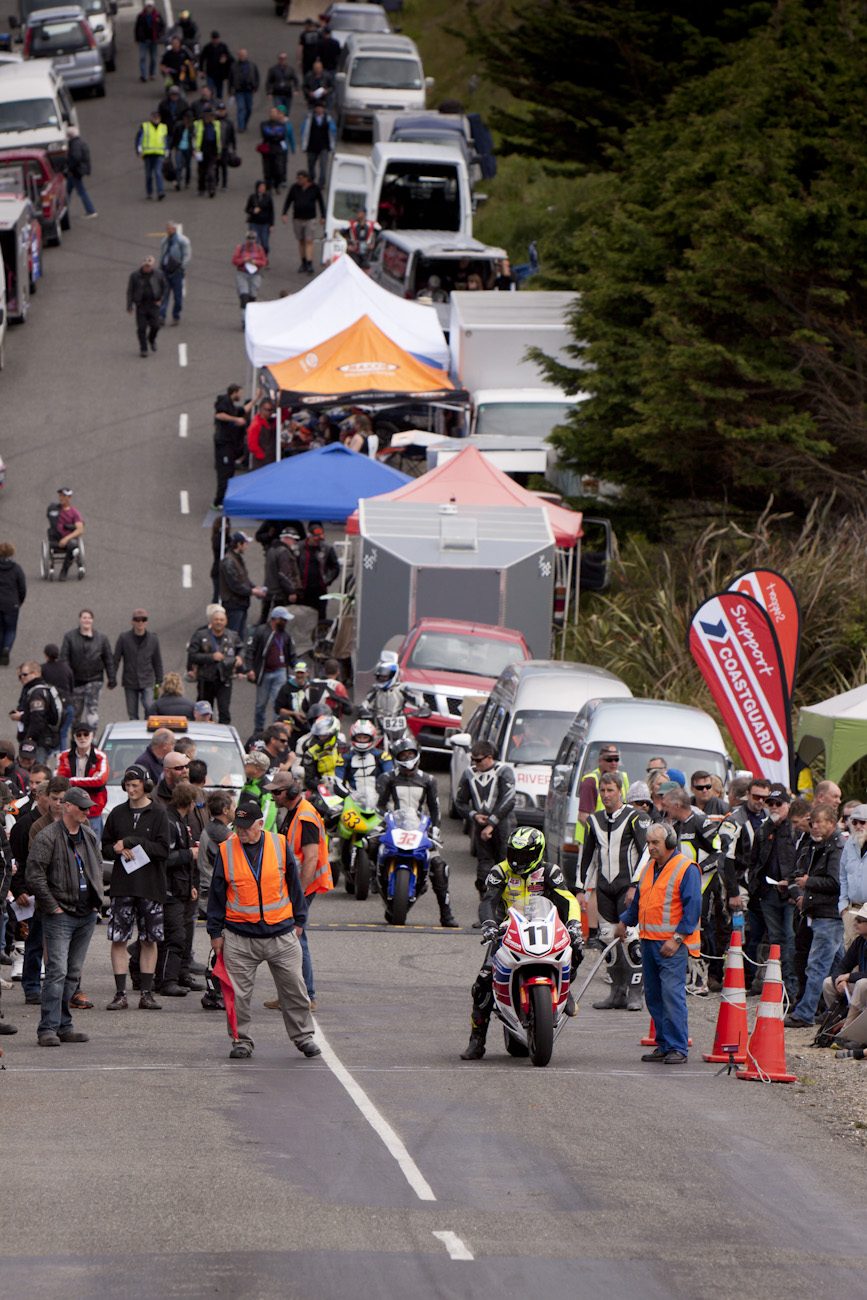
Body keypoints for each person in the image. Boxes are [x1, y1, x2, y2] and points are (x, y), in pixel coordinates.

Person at [206, 799, 320, 1060]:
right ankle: (240, 1041)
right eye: (238, 827)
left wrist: (299, 921)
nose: (241, 831)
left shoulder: (279, 844)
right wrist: (215, 933)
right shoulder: (226, 850)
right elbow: (216, 895)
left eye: (247, 827)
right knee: (237, 995)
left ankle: (304, 1038)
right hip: (239, 937)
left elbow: (294, 885)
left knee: (295, 989)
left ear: (260, 823)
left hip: (281, 934)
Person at [460, 827, 583, 1060]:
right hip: (508, 930)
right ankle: (477, 1040)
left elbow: (567, 899)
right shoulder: (500, 871)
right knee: (483, 982)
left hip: (545, 927)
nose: (518, 860)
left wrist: (574, 924)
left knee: (576, 948)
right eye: (513, 853)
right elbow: (488, 900)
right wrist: (488, 923)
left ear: (537, 853)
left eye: (524, 855)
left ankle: (566, 990)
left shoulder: (550, 871)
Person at [614, 822, 701, 1064]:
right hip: (649, 942)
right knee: (653, 995)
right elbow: (638, 903)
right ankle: (664, 1044)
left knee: (672, 996)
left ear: (670, 844)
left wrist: (677, 939)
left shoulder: (686, 868)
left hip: (671, 945)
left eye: (655, 843)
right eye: (648, 843)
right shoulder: (649, 868)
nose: (650, 847)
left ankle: (678, 1048)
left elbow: (692, 909)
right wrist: (624, 923)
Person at [25, 788, 103, 1047]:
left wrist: (95, 904)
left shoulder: (89, 835)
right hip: (61, 915)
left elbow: (97, 867)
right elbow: (34, 875)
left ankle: (63, 1026)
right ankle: (47, 1028)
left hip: (85, 914)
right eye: (81, 806)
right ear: (67, 806)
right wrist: (53, 907)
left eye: (87, 807)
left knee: (72, 973)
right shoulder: (48, 836)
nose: (86, 811)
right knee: (57, 971)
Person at [102, 766, 171, 1010]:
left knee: (149, 940)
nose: (131, 790)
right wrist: (116, 848)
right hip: (122, 886)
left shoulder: (159, 813)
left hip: (150, 886)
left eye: (136, 785)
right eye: (128, 785)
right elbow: (105, 847)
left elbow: (164, 850)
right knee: (118, 939)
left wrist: (134, 841)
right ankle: (120, 993)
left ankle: (146, 993)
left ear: (146, 785)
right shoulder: (117, 813)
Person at [580, 772, 650, 1010]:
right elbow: (587, 857)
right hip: (603, 889)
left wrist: (635, 885)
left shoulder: (636, 817)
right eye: (603, 790)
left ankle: (635, 993)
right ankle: (616, 992)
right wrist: (582, 889)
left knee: (631, 938)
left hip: (626, 889)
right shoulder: (594, 820)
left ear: (620, 791)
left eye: (610, 790)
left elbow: (646, 853)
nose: (606, 795)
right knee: (607, 938)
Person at [377, 737, 457, 927]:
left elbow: (435, 808)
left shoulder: (428, 780)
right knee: (372, 844)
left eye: (410, 754)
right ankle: (374, 879)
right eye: (403, 755)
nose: (407, 758)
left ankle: (445, 913)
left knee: (439, 866)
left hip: (419, 829)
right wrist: (384, 821)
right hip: (395, 827)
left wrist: (435, 830)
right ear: (396, 758)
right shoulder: (388, 778)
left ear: (417, 754)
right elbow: (380, 805)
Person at [266, 777, 331, 1010]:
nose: (273, 797)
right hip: (295, 887)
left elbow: (311, 858)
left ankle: (307, 997)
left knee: (295, 938)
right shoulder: (293, 812)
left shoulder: (305, 816)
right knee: (290, 939)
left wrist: (299, 896)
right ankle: (291, 995)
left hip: (304, 887)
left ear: (292, 791)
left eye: (277, 793)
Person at [785, 803, 845, 1029]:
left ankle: (805, 1013)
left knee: (817, 965)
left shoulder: (836, 847)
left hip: (828, 915)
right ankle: (840, 1012)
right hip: (822, 913)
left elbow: (835, 882)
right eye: (812, 822)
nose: (814, 827)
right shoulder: (820, 845)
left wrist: (808, 882)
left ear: (832, 822)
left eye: (819, 822)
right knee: (839, 967)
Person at [661, 784, 724, 993]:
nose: (665, 812)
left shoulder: (700, 821)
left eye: (667, 807)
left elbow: (719, 852)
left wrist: (698, 870)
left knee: (701, 928)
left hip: (703, 885)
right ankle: (693, 976)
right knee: (687, 927)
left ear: (677, 805)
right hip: (683, 886)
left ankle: (704, 978)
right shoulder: (677, 825)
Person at [748, 784, 799, 1002]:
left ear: (788, 805)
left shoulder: (795, 830)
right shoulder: (763, 830)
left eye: (779, 803)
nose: (774, 807)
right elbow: (754, 862)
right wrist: (755, 887)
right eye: (771, 803)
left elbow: (800, 862)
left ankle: (792, 989)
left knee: (790, 939)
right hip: (767, 893)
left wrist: (791, 884)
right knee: (776, 941)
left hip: (789, 895)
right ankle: (780, 988)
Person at [454, 740, 516, 898]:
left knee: (505, 868)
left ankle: (504, 912)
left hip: (503, 827)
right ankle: (486, 910)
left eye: (478, 760)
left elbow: (509, 800)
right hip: (481, 828)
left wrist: (492, 823)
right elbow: (459, 802)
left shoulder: (504, 771)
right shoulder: (469, 773)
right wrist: (473, 815)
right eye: (472, 759)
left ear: (489, 757)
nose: (475, 763)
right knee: (484, 871)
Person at [155, 781, 200, 996]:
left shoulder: (180, 821)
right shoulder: (170, 822)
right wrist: (189, 854)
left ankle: (179, 975)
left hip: (180, 888)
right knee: (175, 935)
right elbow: (165, 858)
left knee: (182, 932)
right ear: (190, 803)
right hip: (169, 890)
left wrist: (190, 885)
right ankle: (166, 980)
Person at [187, 605, 244, 724]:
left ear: (226, 621)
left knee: (224, 710)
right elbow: (192, 655)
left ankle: (224, 736)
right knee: (204, 711)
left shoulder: (232, 636)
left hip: (225, 679)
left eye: (221, 620)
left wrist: (239, 658)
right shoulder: (200, 635)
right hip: (206, 679)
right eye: (216, 619)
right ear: (211, 621)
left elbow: (242, 649)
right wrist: (211, 657)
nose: (219, 622)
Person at [60, 610, 115, 731]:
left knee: (92, 710)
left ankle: (92, 739)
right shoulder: (70, 637)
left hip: (95, 679)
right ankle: (75, 739)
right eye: (84, 617)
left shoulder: (101, 638)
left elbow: (108, 658)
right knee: (75, 713)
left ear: (92, 620)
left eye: (89, 618)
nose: (86, 620)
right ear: (79, 619)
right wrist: (67, 678)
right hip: (76, 681)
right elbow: (64, 658)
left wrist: (112, 678)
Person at [246, 608, 295, 731]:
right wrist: (250, 669)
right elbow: (251, 651)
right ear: (277, 619)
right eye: (284, 620)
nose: (286, 622)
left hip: (280, 672)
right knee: (261, 704)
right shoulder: (261, 631)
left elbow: (291, 654)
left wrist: (298, 666)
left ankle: (276, 729)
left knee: (277, 704)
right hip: (264, 673)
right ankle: (258, 729)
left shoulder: (285, 634)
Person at [55, 724, 109, 835]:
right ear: (74, 737)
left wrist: (71, 781)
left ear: (92, 735)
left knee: (93, 848)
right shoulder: (64, 756)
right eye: (79, 735)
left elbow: (100, 782)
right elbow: (59, 781)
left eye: (86, 734)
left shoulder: (100, 756)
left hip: (93, 812)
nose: (82, 737)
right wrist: (89, 782)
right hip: (70, 812)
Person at [823, 902, 867, 1037]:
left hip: (863, 985)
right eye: (855, 919)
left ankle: (847, 1031)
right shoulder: (860, 942)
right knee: (828, 983)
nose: (854, 923)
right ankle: (837, 1022)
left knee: (861, 983)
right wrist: (839, 980)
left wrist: (849, 977)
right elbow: (841, 966)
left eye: (859, 921)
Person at [113, 610, 163, 719]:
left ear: (146, 622)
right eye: (137, 620)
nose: (140, 622)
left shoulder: (153, 639)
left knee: (151, 707)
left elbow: (157, 663)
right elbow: (116, 660)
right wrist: (112, 678)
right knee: (132, 713)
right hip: (130, 682)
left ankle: (148, 732)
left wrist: (159, 685)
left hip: (148, 682)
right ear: (132, 621)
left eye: (143, 620)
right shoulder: (124, 638)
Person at [220, 532, 267, 641]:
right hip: (234, 605)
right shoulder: (229, 562)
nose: (246, 547)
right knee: (233, 636)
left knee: (239, 637)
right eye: (245, 544)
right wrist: (253, 591)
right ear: (239, 544)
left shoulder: (237, 559)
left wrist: (255, 588)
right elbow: (235, 585)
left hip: (241, 604)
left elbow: (244, 579)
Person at [12, 663, 62, 763]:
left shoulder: (37, 693)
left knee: (38, 771)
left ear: (34, 673)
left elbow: (37, 720)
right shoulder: (39, 690)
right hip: (43, 738)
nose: (21, 678)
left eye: (24, 675)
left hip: (39, 741)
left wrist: (28, 740)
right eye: (20, 676)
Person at [212, 383, 250, 509]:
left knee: (230, 471)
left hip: (229, 445)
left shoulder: (232, 407)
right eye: (240, 392)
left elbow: (244, 409)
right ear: (234, 393)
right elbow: (219, 415)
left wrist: (256, 398)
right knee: (225, 472)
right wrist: (236, 420)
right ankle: (218, 502)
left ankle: (224, 499)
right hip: (223, 444)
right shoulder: (224, 401)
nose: (241, 395)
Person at [577, 743, 629, 830]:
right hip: (592, 839)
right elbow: (583, 816)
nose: (613, 763)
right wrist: (601, 832)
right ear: (600, 761)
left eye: (616, 759)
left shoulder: (622, 777)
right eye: (609, 760)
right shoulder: (590, 781)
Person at [282, 169, 325, 272]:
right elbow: (288, 201)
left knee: (309, 240)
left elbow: (321, 202)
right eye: (298, 178)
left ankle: (310, 262)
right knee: (301, 240)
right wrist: (284, 213)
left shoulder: (314, 189)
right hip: (298, 218)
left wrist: (323, 216)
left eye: (301, 178)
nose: (299, 180)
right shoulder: (294, 188)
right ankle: (303, 261)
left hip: (310, 218)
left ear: (306, 178)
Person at [343, 718, 391, 808]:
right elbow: (338, 781)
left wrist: (381, 795)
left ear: (371, 737)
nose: (362, 740)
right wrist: (348, 795)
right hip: (353, 800)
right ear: (353, 736)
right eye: (359, 737)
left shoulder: (382, 756)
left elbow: (389, 779)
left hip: (378, 800)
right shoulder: (345, 758)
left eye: (365, 738)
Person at [127, 254, 166, 358]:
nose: (147, 268)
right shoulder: (135, 276)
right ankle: (143, 348)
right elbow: (130, 291)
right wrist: (129, 306)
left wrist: (161, 300)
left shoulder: (159, 274)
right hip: (141, 305)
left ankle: (152, 339)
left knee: (156, 326)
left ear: (152, 265)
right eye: (145, 266)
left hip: (153, 304)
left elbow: (165, 289)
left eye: (149, 266)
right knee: (141, 328)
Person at [839, 802, 867, 947]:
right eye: (854, 822)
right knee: (851, 959)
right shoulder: (850, 843)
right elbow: (843, 875)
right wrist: (843, 907)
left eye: (862, 822)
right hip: (852, 910)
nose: (858, 826)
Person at [297, 523, 339, 612]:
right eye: (316, 539)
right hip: (303, 589)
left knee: (321, 614)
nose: (318, 541)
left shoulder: (327, 549)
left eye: (320, 539)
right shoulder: (298, 548)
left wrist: (327, 580)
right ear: (309, 536)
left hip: (320, 589)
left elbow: (335, 567)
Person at [41, 644, 74, 749]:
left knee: (50, 734)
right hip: (67, 705)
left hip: (52, 708)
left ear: (46, 655)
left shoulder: (43, 669)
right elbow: (72, 686)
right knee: (63, 733)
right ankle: (62, 758)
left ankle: (49, 759)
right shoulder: (66, 667)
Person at [158, 221, 191, 326]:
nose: (168, 231)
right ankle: (161, 316)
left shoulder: (182, 241)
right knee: (164, 295)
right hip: (166, 272)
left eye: (170, 229)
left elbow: (187, 255)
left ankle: (176, 315)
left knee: (178, 297)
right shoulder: (165, 241)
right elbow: (162, 254)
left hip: (176, 272)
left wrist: (182, 268)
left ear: (175, 230)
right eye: (167, 229)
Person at [0, 542, 26, 666]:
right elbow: (22, 587)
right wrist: (20, 601)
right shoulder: (16, 568)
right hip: (11, 604)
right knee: (10, 629)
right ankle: (6, 648)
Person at [51, 487, 84, 581]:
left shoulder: (74, 513)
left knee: (72, 545)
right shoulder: (54, 510)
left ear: (69, 498)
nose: (61, 498)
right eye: (60, 495)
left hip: (69, 540)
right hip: (56, 538)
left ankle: (64, 569)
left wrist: (66, 539)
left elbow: (80, 530)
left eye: (64, 496)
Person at [136, 108, 169, 201]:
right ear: (151, 117)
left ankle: (160, 192)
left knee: (158, 173)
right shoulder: (145, 126)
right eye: (154, 116)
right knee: (148, 175)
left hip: (158, 154)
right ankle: (149, 192)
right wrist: (139, 151)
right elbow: (139, 139)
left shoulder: (163, 127)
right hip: (148, 155)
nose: (156, 118)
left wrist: (166, 154)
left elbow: (166, 142)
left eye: (158, 116)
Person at [64, 127, 97, 218]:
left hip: (75, 172)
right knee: (67, 191)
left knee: (80, 191)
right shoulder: (80, 143)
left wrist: (70, 169)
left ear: (71, 135)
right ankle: (64, 211)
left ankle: (91, 210)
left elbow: (75, 158)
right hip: (77, 171)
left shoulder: (74, 145)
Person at [259, 106, 293, 192]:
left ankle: (277, 184)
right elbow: (265, 134)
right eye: (271, 112)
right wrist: (275, 135)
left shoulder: (282, 125)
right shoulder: (264, 124)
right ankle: (269, 186)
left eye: (275, 112)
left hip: (278, 149)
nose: (273, 114)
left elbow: (282, 135)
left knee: (278, 168)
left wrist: (273, 135)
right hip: (267, 149)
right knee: (267, 169)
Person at [232, 232, 268, 315]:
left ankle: (250, 317)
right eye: (249, 239)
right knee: (244, 297)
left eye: (252, 240)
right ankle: (244, 319)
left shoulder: (259, 249)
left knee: (252, 298)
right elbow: (234, 261)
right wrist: (243, 260)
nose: (251, 242)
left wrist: (256, 261)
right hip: (242, 273)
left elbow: (264, 261)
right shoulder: (240, 248)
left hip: (255, 274)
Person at [193, 105, 222, 198]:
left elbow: (219, 139)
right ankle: (201, 188)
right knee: (201, 171)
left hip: (212, 150)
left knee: (211, 171)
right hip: (201, 150)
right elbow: (194, 138)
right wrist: (194, 150)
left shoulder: (216, 124)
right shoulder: (198, 124)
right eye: (211, 115)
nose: (213, 117)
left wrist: (219, 151)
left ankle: (211, 189)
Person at [229, 47, 259, 133]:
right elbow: (230, 79)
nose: (242, 56)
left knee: (249, 109)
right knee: (241, 108)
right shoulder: (234, 66)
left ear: (246, 55)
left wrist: (255, 87)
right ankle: (240, 126)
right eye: (240, 55)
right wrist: (230, 91)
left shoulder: (252, 65)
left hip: (249, 90)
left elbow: (256, 77)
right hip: (239, 91)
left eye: (243, 55)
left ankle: (244, 123)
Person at [134, 0, 165, 81]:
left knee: (153, 58)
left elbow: (162, 25)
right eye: (148, 6)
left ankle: (152, 73)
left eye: (150, 6)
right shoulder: (141, 16)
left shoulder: (157, 15)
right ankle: (143, 75)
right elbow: (136, 28)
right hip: (143, 40)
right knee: (143, 57)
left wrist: (160, 35)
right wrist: (137, 39)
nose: (149, 8)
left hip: (153, 40)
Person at [245, 181, 275, 255]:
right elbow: (247, 209)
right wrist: (253, 211)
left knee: (265, 244)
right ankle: (252, 258)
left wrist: (272, 224)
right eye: (260, 187)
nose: (262, 189)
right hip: (253, 223)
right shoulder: (252, 197)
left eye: (263, 187)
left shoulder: (268, 198)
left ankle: (263, 257)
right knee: (252, 242)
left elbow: (271, 212)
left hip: (265, 224)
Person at [199, 29, 232, 96]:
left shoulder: (223, 47)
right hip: (210, 74)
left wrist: (226, 59)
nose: (215, 41)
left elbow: (231, 58)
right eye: (214, 39)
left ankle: (219, 104)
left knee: (219, 92)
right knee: (210, 92)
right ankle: (211, 104)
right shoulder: (207, 47)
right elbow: (202, 59)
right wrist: (201, 70)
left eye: (216, 39)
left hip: (220, 75)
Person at [247, 398, 278, 466]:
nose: (271, 412)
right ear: (262, 410)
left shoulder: (271, 421)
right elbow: (252, 445)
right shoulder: (256, 425)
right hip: (261, 463)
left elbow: (285, 416)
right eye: (269, 410)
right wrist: (262, 456)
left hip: (271, 460)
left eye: (272, 410)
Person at [215, 101, 237, 190]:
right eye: (219, 110)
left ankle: (224, 184)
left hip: (224, 147)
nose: (221, 112)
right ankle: (216, 181)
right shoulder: (214, 120)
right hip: (215, 147)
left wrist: (234, 147)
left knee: (224, 165)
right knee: (215, 165)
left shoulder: (229, 122)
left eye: (222, 110)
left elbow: (232, 135)